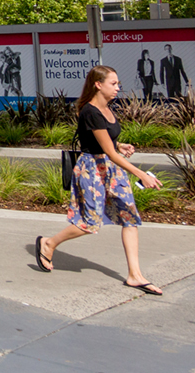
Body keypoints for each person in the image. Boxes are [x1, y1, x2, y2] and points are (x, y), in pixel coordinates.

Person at [34, 65, 164, 295]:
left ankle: (135, 275)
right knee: (90, 223)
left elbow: (109, 145)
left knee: (129, 218)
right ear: (98, 84)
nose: (117, 88)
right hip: (93, 169)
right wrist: (142, 174)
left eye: (117, 84)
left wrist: (120, 145)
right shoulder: (90, 111)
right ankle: (49, 243)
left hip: (112, 169)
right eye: (113, 84)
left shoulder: (107, 109)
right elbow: (108, 153)